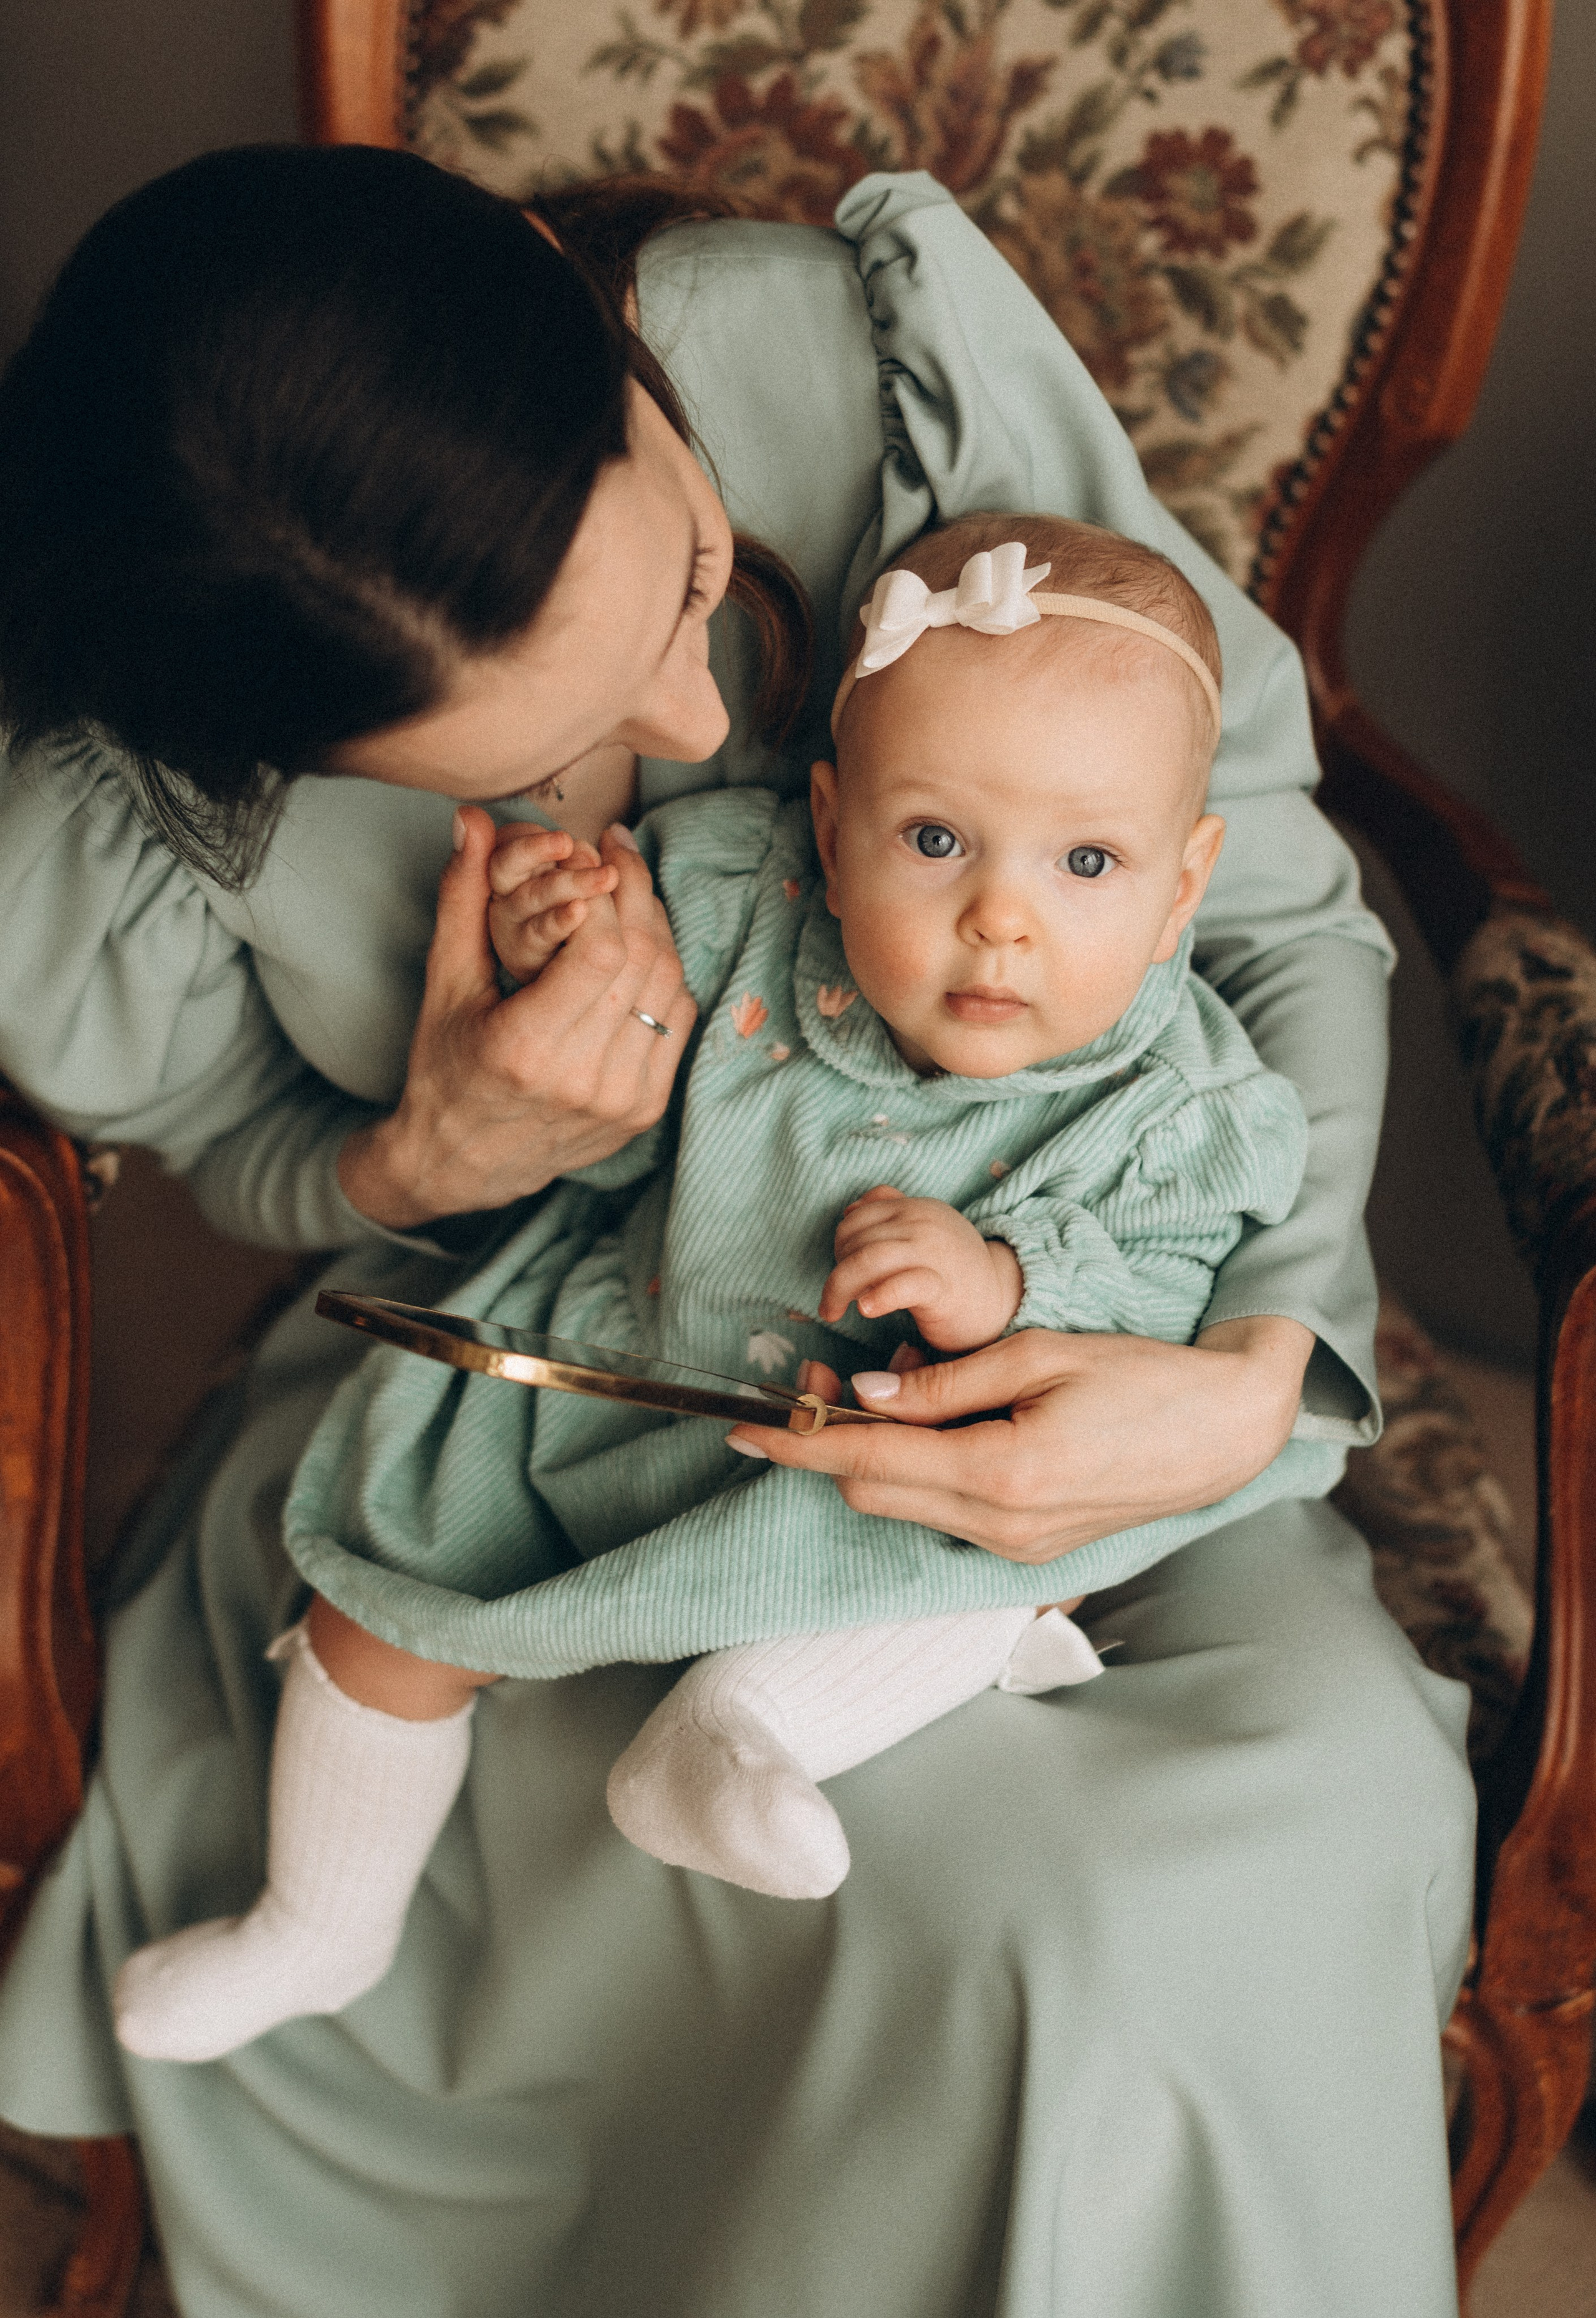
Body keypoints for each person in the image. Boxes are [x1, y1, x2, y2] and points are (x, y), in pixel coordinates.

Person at [0, 145, 1473, 2318]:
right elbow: (243, 1164)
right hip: (533, 1394)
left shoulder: (848, 364)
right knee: (980, 1899)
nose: (707, 735)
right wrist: (433, 1151)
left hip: (1098, 1328)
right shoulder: (124, 795)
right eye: (563, 747)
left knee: (1249, 1836)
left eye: (689, 578)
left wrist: (1240, 1365)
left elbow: (1260, 900)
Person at [112, 513, 1319, 2058]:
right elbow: (613, 1146)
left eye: (1086, 862)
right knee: (381, 1602)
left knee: (996, 1567)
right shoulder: (739, 904)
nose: (1000, 917)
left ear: (1180, 884)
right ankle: (318, 1921)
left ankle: (734, 1736)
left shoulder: (1175, 1093)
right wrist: (578, 957)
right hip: (632, 1357)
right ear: (828, 824)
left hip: (885, 1465)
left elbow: (1160, 1299)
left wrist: (1008, 1280)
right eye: (934, 839)